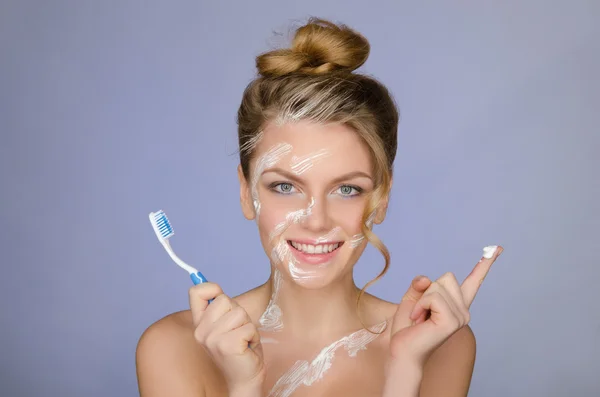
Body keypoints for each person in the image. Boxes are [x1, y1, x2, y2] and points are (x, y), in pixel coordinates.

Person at [136, 17, 503, 397]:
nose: (316, 220)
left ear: (383, 197)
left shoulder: (439, 343)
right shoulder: (174, 348)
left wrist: (404, 371)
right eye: (284, 186)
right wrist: (243, 386)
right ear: (246, 192)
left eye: (346, 189)